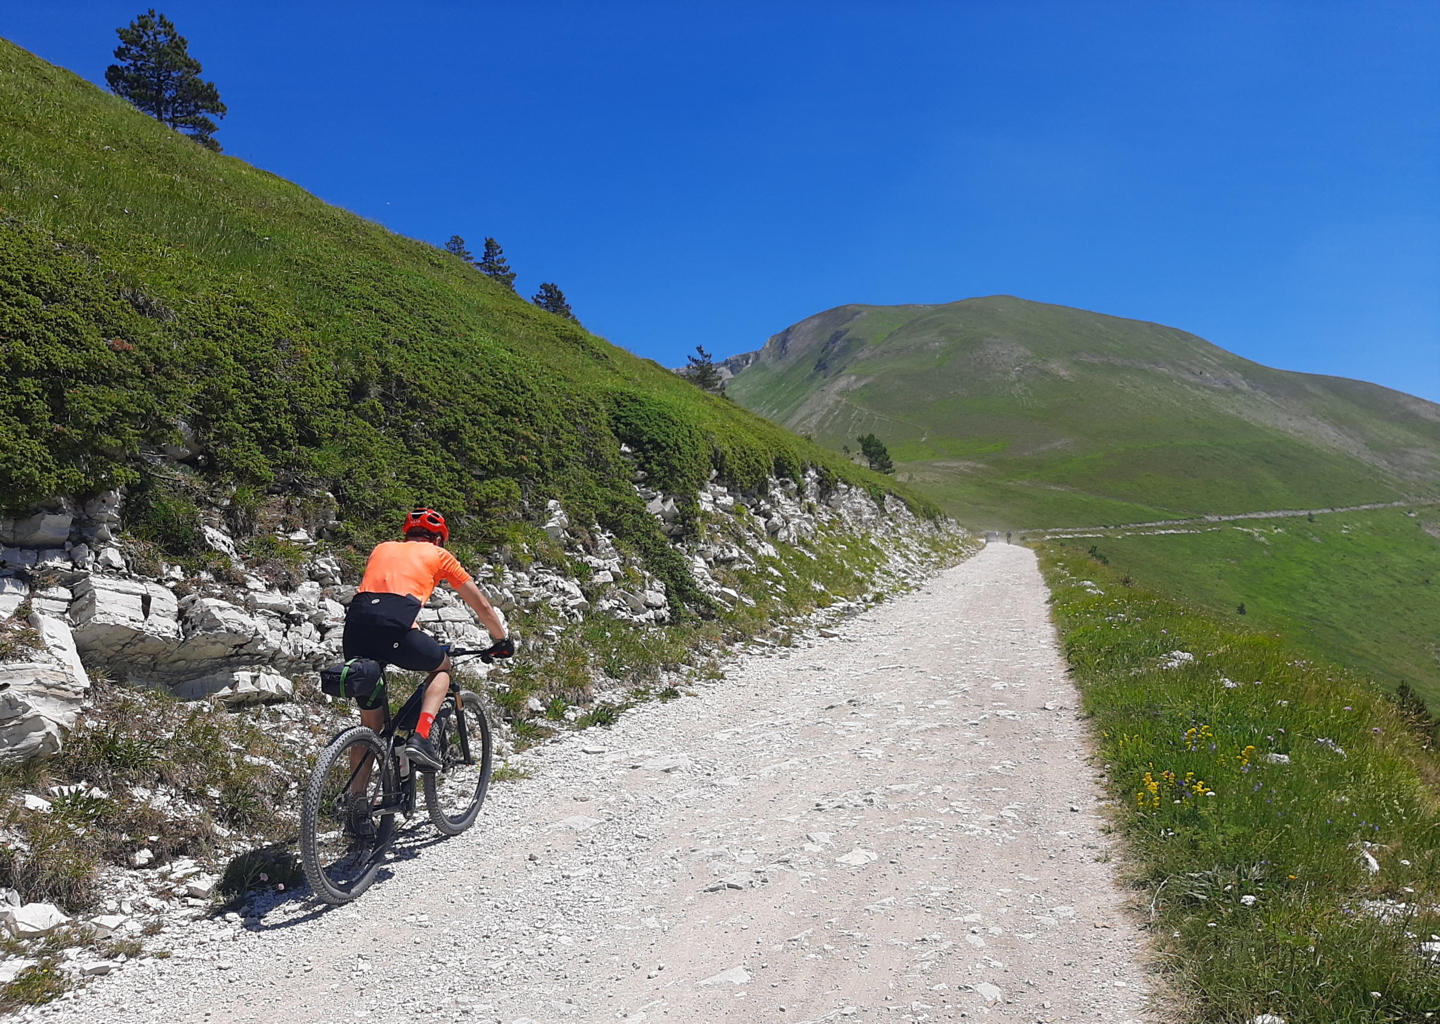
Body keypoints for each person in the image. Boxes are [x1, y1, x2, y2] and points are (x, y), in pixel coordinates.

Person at [341, 507, 513, 774]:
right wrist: (502, 640)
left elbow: (384, 594)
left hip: (355, 633)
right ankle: (421, 737)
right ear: (437, 539)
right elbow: (483, 608)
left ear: (408, 533)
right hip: (396, 633)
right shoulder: (440, 555)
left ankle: (356, 805)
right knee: (442, 667)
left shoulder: (382, 548)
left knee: (370, 727)